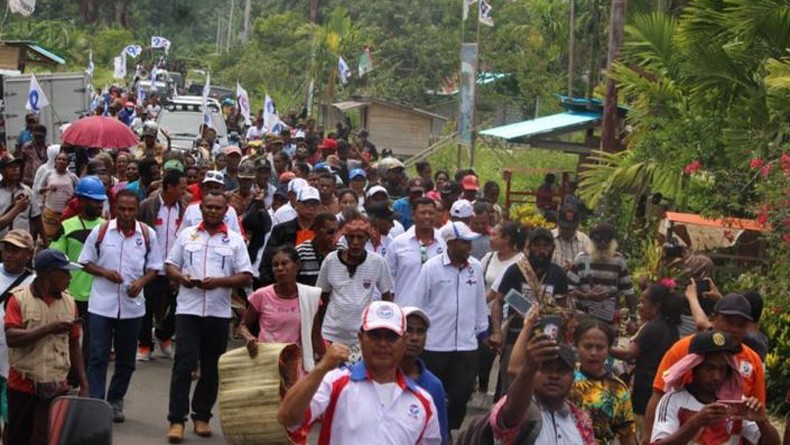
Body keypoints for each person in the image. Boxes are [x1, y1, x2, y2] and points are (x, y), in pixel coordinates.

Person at [278, 301, 442, 444]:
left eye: (391, 337)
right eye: (375, 335)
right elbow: (288, 418)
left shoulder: (423, 402)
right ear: (360, 337)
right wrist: (322, 367)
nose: (382, 344)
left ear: (404, 342)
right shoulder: (335, 382)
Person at [165, 191, 254, 442]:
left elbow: (245, 275)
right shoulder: (187, 234)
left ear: (226, 211)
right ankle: (176, 419)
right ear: (201, 208)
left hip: (217, 311)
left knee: (212, 367)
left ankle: (202, 416)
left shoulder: (235, 241)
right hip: (188, 309)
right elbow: (170, 264)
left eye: (218, 208)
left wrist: (219, 282)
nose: (213, 211)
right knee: (184, 363)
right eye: (209, 207)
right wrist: (180, 276)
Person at [78, 189, 163, 422]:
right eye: (122, 209)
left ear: (137, 210)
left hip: (132, 307)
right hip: (101, 306)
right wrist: (104, 272)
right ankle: (96, 402)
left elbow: (156, 267)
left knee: (126, 361)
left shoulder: (147, 235)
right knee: (98, 355)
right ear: (115, 208)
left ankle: (115, 401)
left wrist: (141, 282)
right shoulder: (102, 231)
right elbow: (85, 261)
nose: (126, 214)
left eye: (131, 209)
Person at [456, 309, 595, 445]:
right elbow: (511, 412)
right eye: (544, 369)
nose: (553, 375)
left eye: (561, 371)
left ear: (573, 376)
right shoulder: (523, 412)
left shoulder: (581, 421)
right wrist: (529, 366)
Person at [641, 293, 766, 443]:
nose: (733, 329)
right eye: (728, 321)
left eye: (740, 324)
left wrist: (761, 421)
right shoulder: (683, 349)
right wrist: (647, 438)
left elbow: (756, 413)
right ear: (713, 318)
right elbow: (659, 393)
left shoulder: (753, 360)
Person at [402, 221, 489, 433]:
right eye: (464, 243)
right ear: (450, 243)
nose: (469, 247)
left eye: (470, 243)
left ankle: (448, 428)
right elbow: (418, 303)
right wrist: (415, 336)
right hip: (436, 345)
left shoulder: (475, 268)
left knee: (461, 394)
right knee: (433, 392)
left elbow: (480, 301)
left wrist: (482, 331)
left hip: (466, 346)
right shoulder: (431, 268)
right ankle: (432, 429)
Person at [5, 249, 88, 445]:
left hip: (55, 387)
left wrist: (84, 384)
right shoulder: (18, 299)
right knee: (18, 438)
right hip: (22, 387)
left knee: (48, 439)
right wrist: (49, 329)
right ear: (50, 274)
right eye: (65, 273)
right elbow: (12, 338)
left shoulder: (69, 302)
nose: (69, 278)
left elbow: (74, 343)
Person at [650, 331, 780, 445]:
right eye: (709, 368)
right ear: (694, 368)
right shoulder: (672, 401)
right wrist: (695, 423)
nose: (716, 376)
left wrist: (762, 422)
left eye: (722, 369)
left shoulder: (738, 404)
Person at [489, 227, 569, 397]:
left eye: (546, 246)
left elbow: (563, 309)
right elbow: (498, 302)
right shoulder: (515, 270)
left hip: (545, 340)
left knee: (540, 387)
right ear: (528, 247)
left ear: (552, 248)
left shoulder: (558, 274)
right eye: (537, 245)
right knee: (511, 386)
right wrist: (497, 333)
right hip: (516, 337)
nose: (541, 250)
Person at [314, 217, 395, 360]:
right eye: (351, 237)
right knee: (329, 378)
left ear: (367, 239)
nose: (356, 242)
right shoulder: (331, 260)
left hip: (360, 337)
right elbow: (321, 298)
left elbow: (387, 296)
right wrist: (317, 334)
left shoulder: (377, 262)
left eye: (360, 237)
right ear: (345, 238)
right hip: (330, 334)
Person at [50, 176, 107, 370]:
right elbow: (55, 257)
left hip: (97, 295)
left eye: (101, 200)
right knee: (65, 340)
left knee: (93, 344)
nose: (100, 204)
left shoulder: (107, 228)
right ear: (81, 201)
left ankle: (84, 380)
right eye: (95, 200)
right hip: (69, 295)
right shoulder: (66, 226)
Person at [610, 283, 682, 434]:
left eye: (643, 302)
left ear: (656, 306)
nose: (639, 306)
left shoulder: (652, 327)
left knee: (641, 433)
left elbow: (630, 353)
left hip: (645, 393)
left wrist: (604, 348)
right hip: (662, 392)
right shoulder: (671, 327)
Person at [239, 246, 323, 372]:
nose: (279, 268)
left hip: (295, 365)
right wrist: (248, 337)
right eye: (275, 265)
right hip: (266, 362)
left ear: (297, 265)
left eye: (284, 263)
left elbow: (315, 336)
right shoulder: (262, 295)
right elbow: (242, 326)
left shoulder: (310, 297)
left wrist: (327, 364)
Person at [137, 169, 187, 361]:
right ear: (169, 187)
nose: (184, 192)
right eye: (181, 188)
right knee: (147, 305)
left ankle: (163, 335)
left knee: (177, 305)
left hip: (175, 266)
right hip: (151, 266)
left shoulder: (184, 209)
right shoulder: (148, 206)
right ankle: (144, 345)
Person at [475, 221, 526, 405]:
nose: (491, 238)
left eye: (495, 235)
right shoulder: (488, 258)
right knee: (484, 354)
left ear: (507, 239)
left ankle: (501, 398)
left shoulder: (521, 262)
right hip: (485, 314)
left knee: (506, 359)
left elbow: (498, 294)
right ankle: (482, 387)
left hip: (508, 317)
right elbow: (479, 284)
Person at [570, 319, 637, 445]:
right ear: (576, 346)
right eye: (587, 346)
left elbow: (627, 434)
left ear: (609, 350)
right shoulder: (565, 377)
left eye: (600, 347)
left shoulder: (618, 388)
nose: (593, 353)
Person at [0, 230, 35, 435]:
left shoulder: (35, 284)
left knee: (11, 416)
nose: (9, 254)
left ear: (29, 254)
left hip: (14, 363)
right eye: (7, 249)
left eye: (16, 250)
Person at [568, 222, 637, 326]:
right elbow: (569, 289)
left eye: (606, 242)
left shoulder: (618, 260)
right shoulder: (581, 259)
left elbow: (628, 291)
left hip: (609, 318)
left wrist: (633, 317)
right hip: (583, 317)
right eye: (599, 242)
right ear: (591, 241)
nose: (603, 244)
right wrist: (587, 296)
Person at [401, 306, 449, 444]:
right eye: (408, 330)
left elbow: (439, 438)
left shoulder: (434, 386)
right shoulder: (379, 377)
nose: (414, 338)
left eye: (420, 331)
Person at [386, 197, 445, 305]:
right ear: (413, 215)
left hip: (436, 312)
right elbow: (387, 281)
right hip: (405, 309)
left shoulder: (444, 242)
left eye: (431, 213)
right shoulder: (398, 243)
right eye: (423, 213)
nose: (427, 216)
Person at [260, 186, 321, 285]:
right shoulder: (281, 230)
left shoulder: (322, 231)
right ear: (297, 205)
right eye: (306, 203)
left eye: (314, 204)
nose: (310, 207)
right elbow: (267, 262)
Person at [0, 153, 41, 251]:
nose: (16, 170)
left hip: (22, 246)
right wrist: (17, 208)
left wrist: (43, 240)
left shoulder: (27, 191)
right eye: (11, 167)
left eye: (17, 167)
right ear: (2, 171)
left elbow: (36, 218)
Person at [38, 152, 79, 241]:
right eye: (59, 159)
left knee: (66, 237)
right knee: (49, 238)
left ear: (68, 163)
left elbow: (79, 192)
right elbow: (39, 190)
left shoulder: (72, 177)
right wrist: (48, 188)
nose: (61, 161)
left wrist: (72, 199)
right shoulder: (49, 174)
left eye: (64, 160)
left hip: (67, 213)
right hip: (50, 213)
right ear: (55, 162)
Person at [295, 213, 337, 287]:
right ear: (316, 230)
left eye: (337, 232)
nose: (335, 236)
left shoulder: (341, 251)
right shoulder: (301, 252)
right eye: (330, 232)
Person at [551, 207, 591, 271]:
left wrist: (576, 269)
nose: (566, 231)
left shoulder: (585, 241)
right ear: (558, 223)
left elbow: (590, 268)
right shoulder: (550, 238)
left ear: (576, 226)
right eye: (564, 228)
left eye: (570, 229)